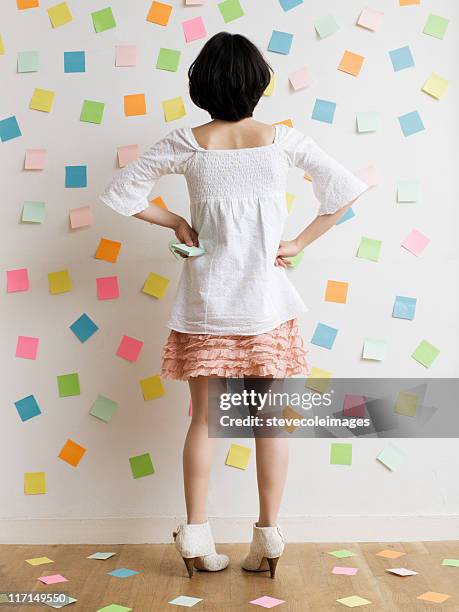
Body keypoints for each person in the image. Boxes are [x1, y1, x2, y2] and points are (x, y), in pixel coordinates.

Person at [99, 31, 369, 579]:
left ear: (201, 84)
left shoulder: (188, 142)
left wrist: (175, 220)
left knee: (203, 420)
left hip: (207, 305)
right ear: (258, 84)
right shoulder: (283, 140)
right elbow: (344, 190)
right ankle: (268, 537)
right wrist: (298, 242)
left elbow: (121, 192)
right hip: (268, 304)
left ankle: (196, 537)